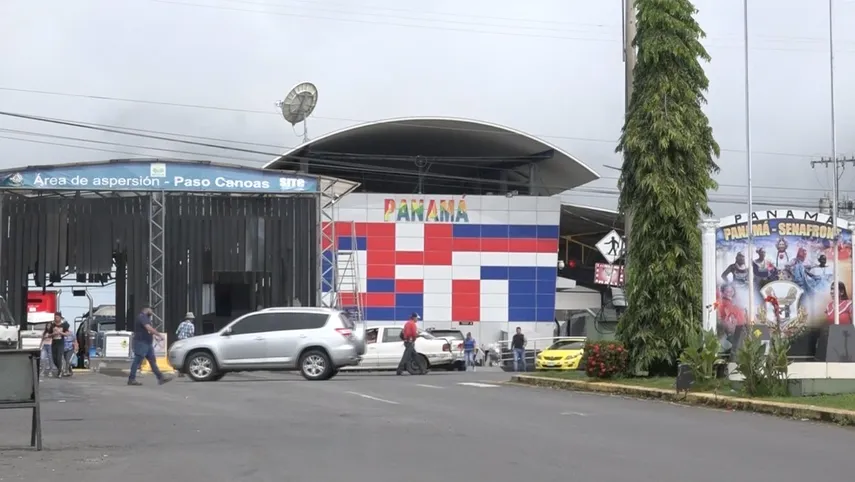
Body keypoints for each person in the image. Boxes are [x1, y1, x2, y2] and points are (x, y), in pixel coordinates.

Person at [128, 305, 172, 386]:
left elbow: (147, 330)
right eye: (151, 310)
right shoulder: (142, 317)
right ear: (146, 309)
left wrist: (154, 335)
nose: (152, 312)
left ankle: (160, 378)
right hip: (141, 342)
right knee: (137, 360)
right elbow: (148, 328)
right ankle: (131, 379)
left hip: (147, 343)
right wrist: (159, 335)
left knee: (152, 361)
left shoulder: (145, 318)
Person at [175, 312, 196, 377]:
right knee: (186, 356)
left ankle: (179, 372)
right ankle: (185, 371)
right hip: (187, 341)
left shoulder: (182, 324)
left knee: (180, 355)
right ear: (191, 319)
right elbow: (191, 334)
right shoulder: (191, 325)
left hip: (180, 340)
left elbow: (177, 332)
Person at [49, 313, 70, 378]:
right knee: (54, 358)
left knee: (59, 357)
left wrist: (60, 332)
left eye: (57, 317)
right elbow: (48, 334)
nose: (56, 319)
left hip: (60, 342)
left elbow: (67, 334)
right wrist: (53, 334)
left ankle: (60, 371)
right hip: (54, 342)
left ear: (60, 318)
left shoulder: (64, 325)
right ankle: (60, 368)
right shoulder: (52, 325)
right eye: (55, 317)